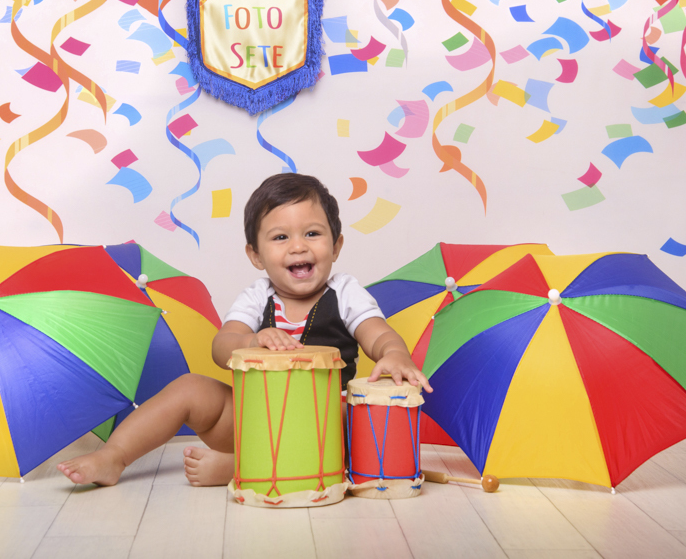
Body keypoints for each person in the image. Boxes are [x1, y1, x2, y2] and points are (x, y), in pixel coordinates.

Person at [57, 173, 431, 487]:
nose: (298, 246)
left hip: (322, 428)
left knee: (354, 416)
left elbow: (377, 332)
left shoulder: (345, 292)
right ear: (255, 255)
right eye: (280, 237)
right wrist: (251, 340)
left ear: (336, 245)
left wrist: (394, 353)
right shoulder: (257, 297)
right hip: (254, 417)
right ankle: (114, 456)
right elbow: (221, 348)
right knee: (190, 387)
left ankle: (240, 469)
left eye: (313, 234)